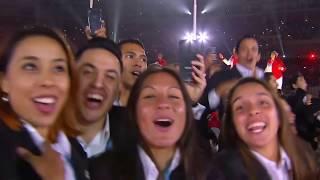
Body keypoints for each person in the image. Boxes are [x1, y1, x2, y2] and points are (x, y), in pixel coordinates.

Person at [89, 67, 223, 180]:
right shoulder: (99, 171)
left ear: (187, 112)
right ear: (133, 111)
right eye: (150, 96)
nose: (163, 104)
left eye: (174, 96)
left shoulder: (211, 172)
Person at [0, 27, 89, 180]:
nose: (48, 81)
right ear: (4, 81)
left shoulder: (74, 148)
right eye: (30, 66)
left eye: (58, 68)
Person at [216, 78, 318, 179]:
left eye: (263, 102)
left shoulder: (304, 153)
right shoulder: (222, 172)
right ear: (232, 122)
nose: (253, 110)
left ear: (278, 113)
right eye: (240, 107)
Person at [75, 37, 124, 158]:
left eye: (110, 77)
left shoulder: (134, 134)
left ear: (118, 88)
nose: (97, 83)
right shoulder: (40, 133)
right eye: (88, 72)